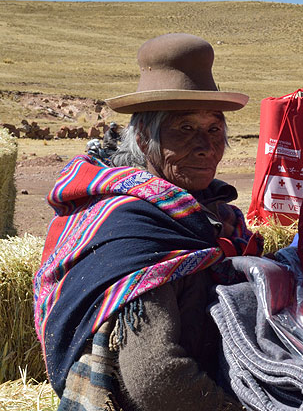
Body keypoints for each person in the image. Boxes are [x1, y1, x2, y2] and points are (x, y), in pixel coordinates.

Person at [33, 33, 259, 410]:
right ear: (141, 137)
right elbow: (157, 377)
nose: (206, 146)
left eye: (214, 129)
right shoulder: (133, 228)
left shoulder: (211, 216)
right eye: (185, 129)